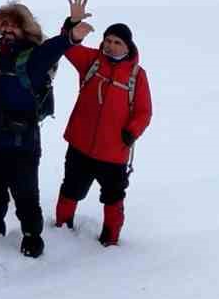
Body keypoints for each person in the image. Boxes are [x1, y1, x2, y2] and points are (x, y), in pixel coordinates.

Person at [0, 0, 91, 258]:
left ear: (25, 29)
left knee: (25, 194)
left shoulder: (34, 57)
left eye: (13, 25)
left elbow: (56, 47)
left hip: (22, 142)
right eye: (3, 23)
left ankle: (32, 235)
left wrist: (72, 27)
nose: (7, 29)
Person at [55, 22, 152, 247]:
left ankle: (110, 240)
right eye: (108, 40)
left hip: (113, 152)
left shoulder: (137, 76)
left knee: (113, 196)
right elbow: (66, 47)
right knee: (70, 188)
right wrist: (71, 26)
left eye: (117, 42)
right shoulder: (92, 60)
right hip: (80, 144)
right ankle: (61, 228)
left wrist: (132, 131)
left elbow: (144, 111)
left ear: (128, 46)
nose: (111, 46)